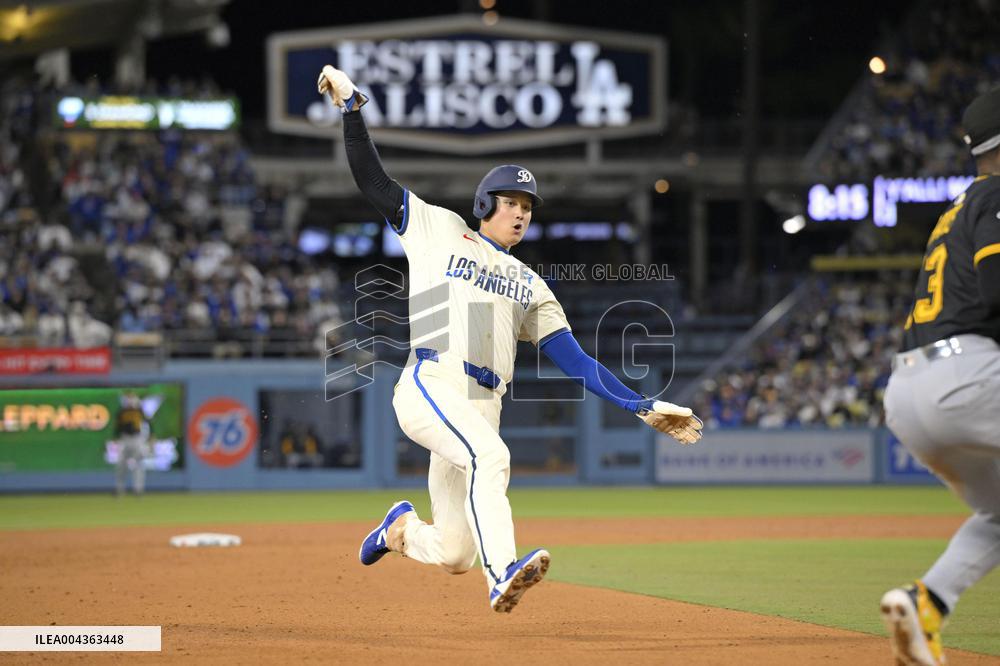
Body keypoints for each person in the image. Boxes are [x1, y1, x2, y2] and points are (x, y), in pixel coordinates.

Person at [318, 66, 703, 613]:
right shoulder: (440, 228)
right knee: (491, 458)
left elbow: (575, 360)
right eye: (510, 201)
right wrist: (352, 108)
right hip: (432, 379)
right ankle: (503, 575)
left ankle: (399, 532)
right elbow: (373, 182)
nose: (520, 212)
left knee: (454, 553)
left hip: (484, 403)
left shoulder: (531, 284)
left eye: (527, 207)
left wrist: (638, 403)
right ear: (483, 205)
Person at [881, 86, 1000, 665]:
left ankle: (925, 602)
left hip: (908, 390)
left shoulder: (957, 207)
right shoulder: (999, 196)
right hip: (970, 375)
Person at [114, 392, 150, 496]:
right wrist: (116, 437)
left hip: (137, 438)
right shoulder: (122, 411)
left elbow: (148, 422)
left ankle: (138, 489)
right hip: (124, 438)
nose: (130, 401)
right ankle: (119, 489)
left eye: (131, 398)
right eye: (128, 398)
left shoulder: (139, 410)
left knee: (138, 464)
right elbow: (118, 426)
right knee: (121, 465)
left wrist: (151, 436)